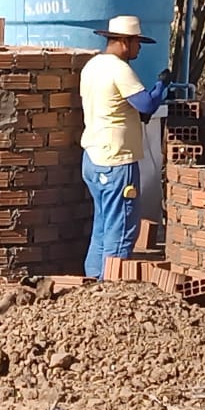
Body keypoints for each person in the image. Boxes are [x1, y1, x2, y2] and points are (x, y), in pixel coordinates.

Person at [78, 15, 168, 279]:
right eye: (137, 43)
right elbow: (146, 105)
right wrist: (162, 85)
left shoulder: (92, 66)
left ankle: (93, 280)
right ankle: (112, 288)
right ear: (125, 42)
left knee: (104, 224)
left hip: (93, 157)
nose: (139, 49)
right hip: (116, 160)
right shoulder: (119, 69)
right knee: (122, 226)